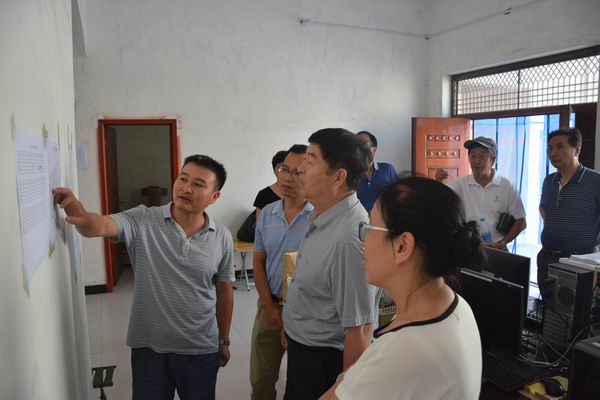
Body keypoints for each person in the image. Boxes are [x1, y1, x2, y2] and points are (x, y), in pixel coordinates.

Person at [53, 155, 234, 400]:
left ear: (214, 196)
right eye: (183, 179)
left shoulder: (221, 236)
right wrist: (83, 216)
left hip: (200, 348)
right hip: (150, 349)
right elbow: (101, 225)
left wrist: (224, 340)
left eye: (198, 184)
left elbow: (224, 289)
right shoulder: (142, 219)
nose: (186, 188)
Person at [320, 177, 483, 400]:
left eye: (369, 227)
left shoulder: (405, 350)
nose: (363, 241)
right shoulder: (457, 306)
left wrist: (348, 378)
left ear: (402, 246)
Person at [282, 128, 378, 400]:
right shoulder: (323, 215)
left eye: (310, 161)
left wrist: (345, 392)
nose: (300, 169)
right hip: (303, 350)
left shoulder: (349, 239)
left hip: (323, 364)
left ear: (338, 177)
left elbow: (360, 329)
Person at [250, 144, 312, 400]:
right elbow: (258, 262)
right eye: (284, 169)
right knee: (261, 381)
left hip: (308, 312)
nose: (287, 178)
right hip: (269, 307)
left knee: (301, 384)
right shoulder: (267, 214)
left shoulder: (319, 217)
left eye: (297, 172)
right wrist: (269, 307)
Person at [538, 128, 600, 295]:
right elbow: (543, 208)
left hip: (580, 262)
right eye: (550, 148)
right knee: (546, 307)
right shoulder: (549, 180)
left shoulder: (595, 181)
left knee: (575, 308)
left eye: (560, 147)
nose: (553, 153)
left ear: (577, 150)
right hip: (547, 258)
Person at [447, 136, 526, 250]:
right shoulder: (460, 184)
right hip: (468, 248)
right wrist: (439, 180)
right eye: (473, 156)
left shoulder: (506, 186)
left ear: (492, 160)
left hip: (497, 248)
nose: (476, 161)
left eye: (482, 156)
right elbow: (440, 196)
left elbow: (521, 222)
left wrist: (502, 242)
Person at [355, 131, 398, 212]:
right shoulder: (350, 174)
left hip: (384, 218)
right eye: (356, 144)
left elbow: (398, 196)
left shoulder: (387, 170)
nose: (360, 148)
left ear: (374, 150)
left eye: (364, 143)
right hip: (359, 219)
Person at [254, 150, 288, 218]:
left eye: (286, 169)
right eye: (281, 168)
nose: (285, 173)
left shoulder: (301, 195)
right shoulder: (263, 195)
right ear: (274, 170)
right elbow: (260, 222)